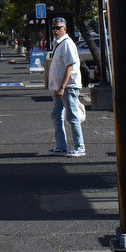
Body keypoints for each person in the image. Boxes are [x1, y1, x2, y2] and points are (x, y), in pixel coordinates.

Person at [47, 17, 84, 156]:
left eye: (58, 28)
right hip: (59, 88)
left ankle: (79, 147)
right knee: (56, 115)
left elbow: (70, 66)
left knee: (72, 116)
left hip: (68, 87)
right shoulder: (58, 43)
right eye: (54, 28)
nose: (56, 31)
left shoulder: (67, 44)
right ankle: (61, 146)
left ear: (65, 29)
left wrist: (62, 87)